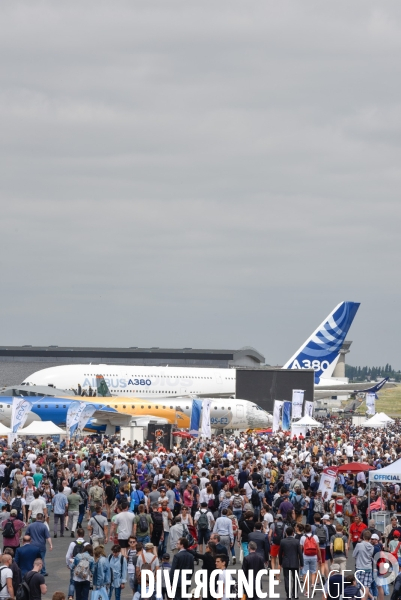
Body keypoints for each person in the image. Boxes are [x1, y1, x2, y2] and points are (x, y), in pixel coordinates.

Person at [279, 526, 303, 600]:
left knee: (287, 579)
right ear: (293, 533)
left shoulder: (282, 541)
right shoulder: (296, 541)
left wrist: (280, 562)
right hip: (295, 562)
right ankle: (295, 594)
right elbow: (300, 553)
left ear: (286, 533)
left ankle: (288, 595)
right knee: (295, 579)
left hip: (286, 562)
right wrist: (301, 563)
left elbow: (280, 553)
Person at [299, 524, 321, 598]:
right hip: (314, 556)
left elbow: (301, 549)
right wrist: (320, 558)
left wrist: (299, 558)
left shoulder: (302, 538)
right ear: (311, 530)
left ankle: (307, 591)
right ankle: (312, 584)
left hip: (305, 556)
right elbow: (318, 548)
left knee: (305, 573)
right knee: (313, 572)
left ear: (304, 530)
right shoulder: (315, 537)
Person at [352, 529, 374, 599]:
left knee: (359, 585)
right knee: (366, 586)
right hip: (368, 567)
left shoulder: (359, 545)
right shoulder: (372, 547)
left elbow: (353, 555)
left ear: (363, 537)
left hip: (360, 567)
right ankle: (368, 597)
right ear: (370, 538)